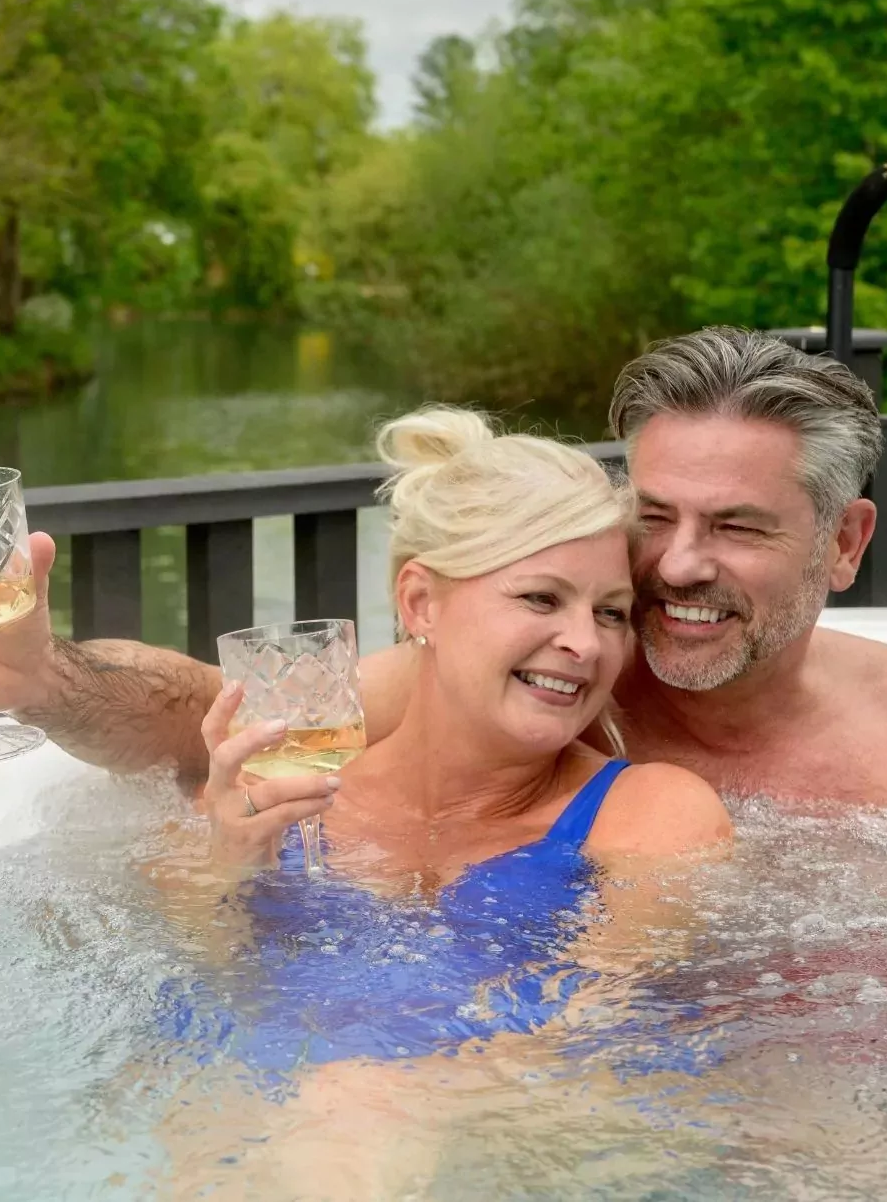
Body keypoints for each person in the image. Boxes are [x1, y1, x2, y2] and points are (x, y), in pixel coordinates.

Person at [0, 328, 887, 804]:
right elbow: (209, 718)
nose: (676, 566)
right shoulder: (545, 689)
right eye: (653, 515)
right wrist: (48, 680)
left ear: (846, 542)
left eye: (736, 527)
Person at [142, 407, 729, 1199]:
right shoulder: (280, 800)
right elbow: (191, 991)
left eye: (610, 613)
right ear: (420, 603)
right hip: (279, 1123)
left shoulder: (650, 815)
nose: (585, 644)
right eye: (541, 598)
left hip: (532, 1143)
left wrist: (380, 1100)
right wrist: (220, 877)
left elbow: (592, 1023)